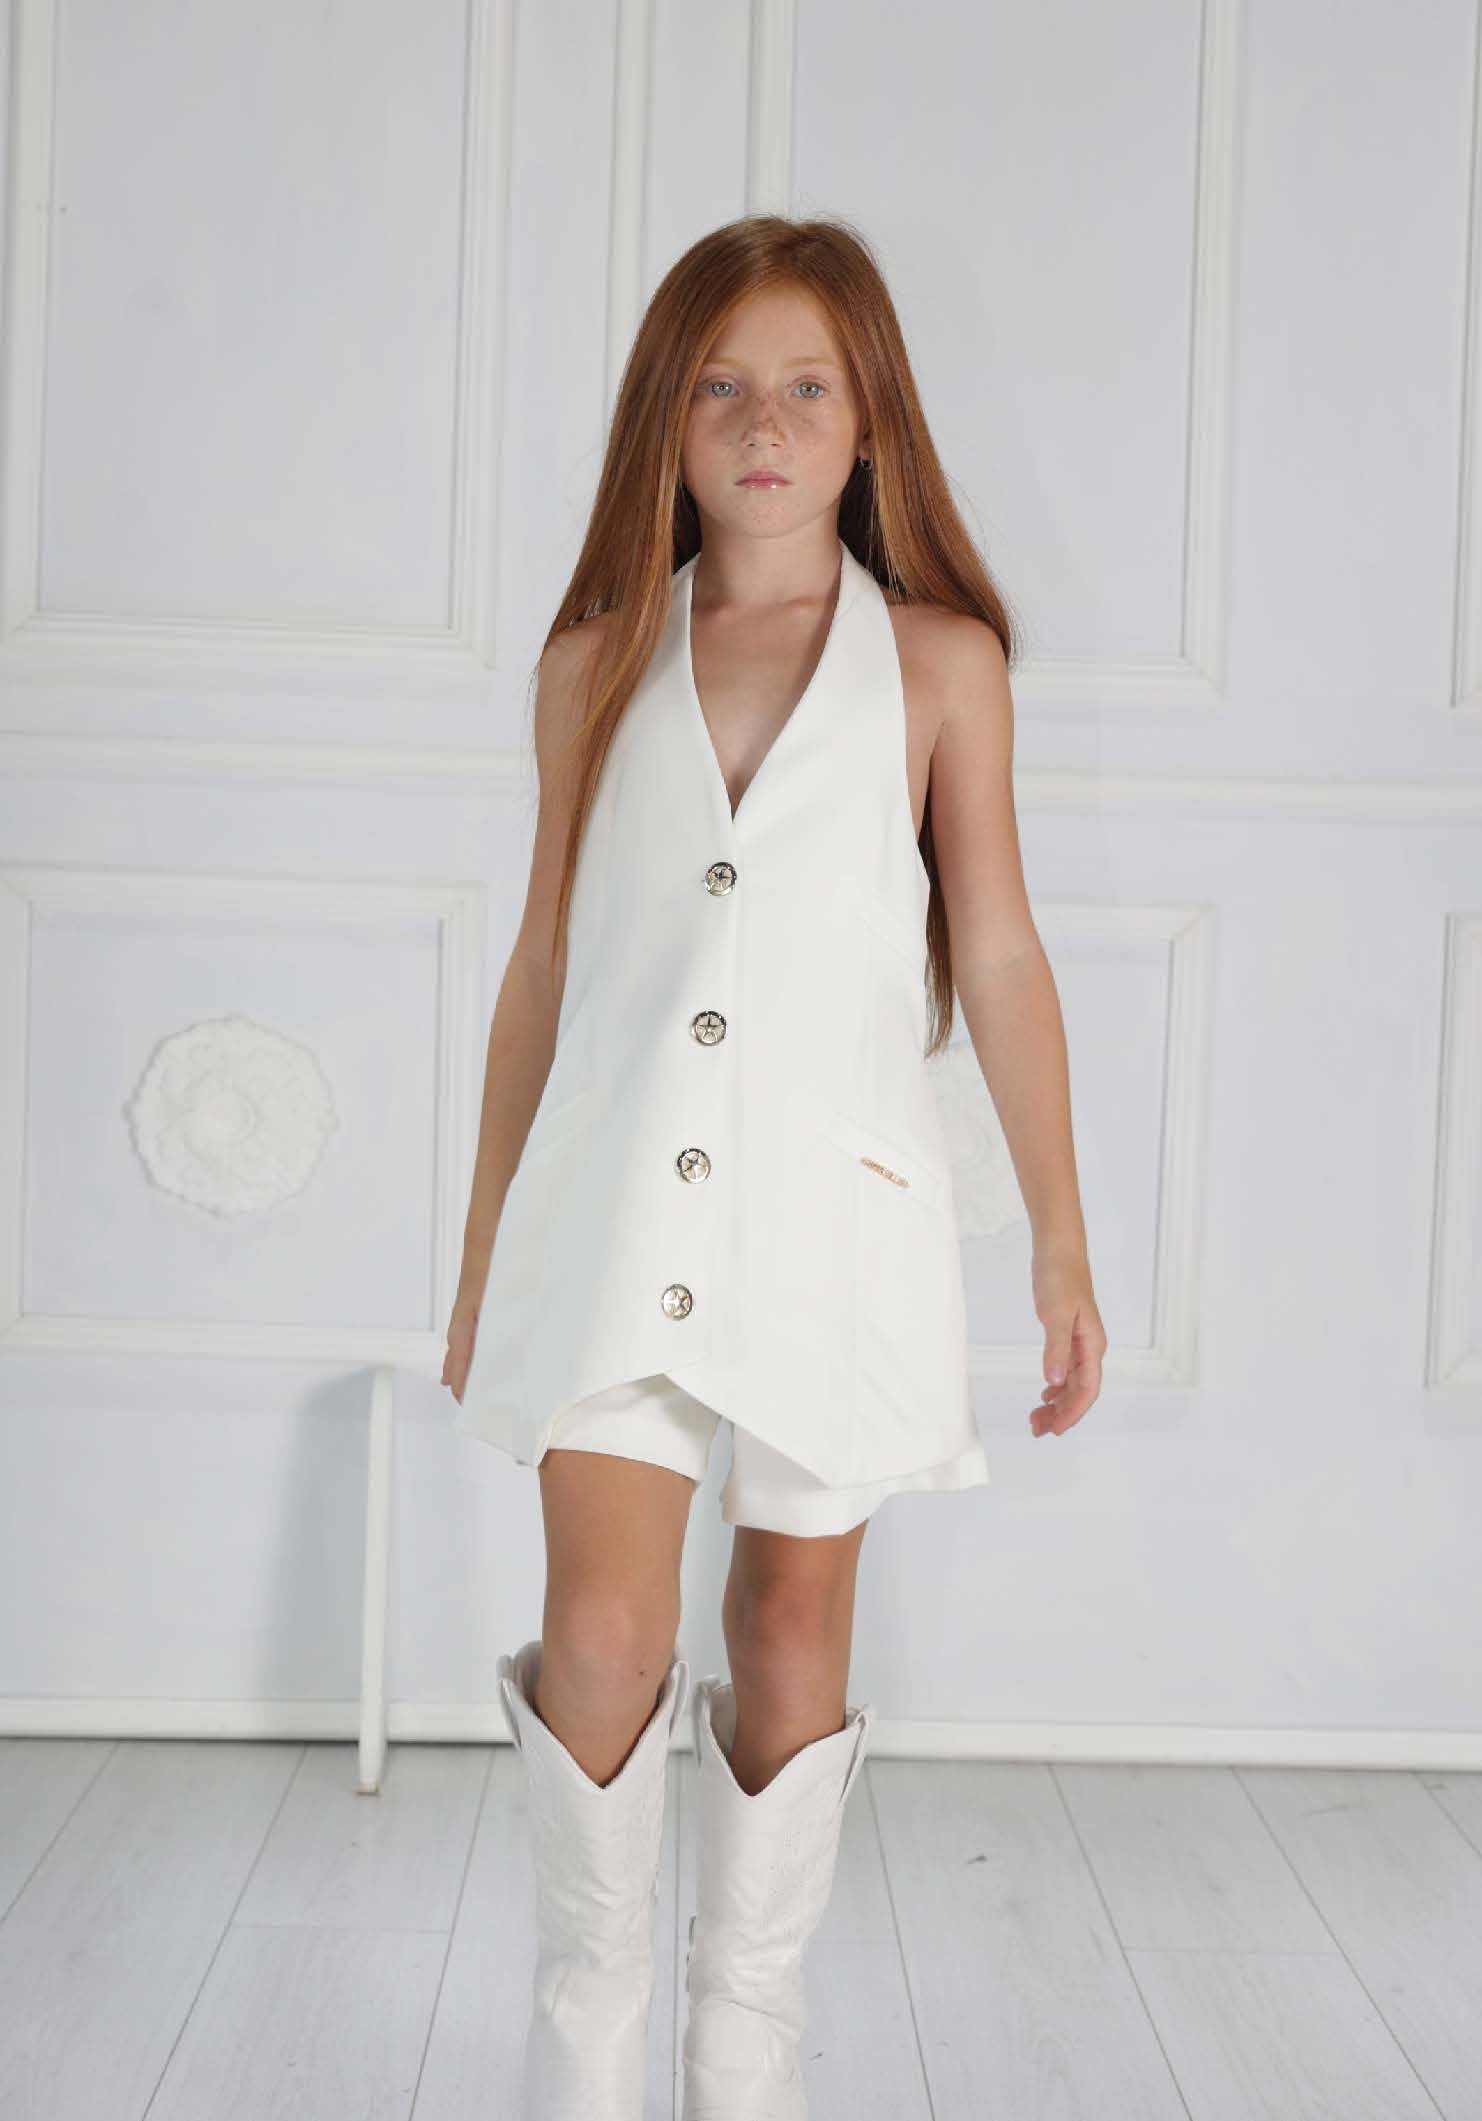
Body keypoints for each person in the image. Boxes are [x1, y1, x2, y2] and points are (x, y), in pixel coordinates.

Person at [442, 212, 1106, 2121]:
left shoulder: (942, 665)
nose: (762, 420)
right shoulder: (594, 663)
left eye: (808, 386)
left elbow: (998, 953)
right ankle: (586, 2048)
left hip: (838, 1227)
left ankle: (745, 2057)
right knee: (600, 1626)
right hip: (606, 1213)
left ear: (869, 421)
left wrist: (1059, 1238)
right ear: (664, 419)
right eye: (721, 385)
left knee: (791, 1619)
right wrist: (484, 1250)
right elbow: (543, 968)